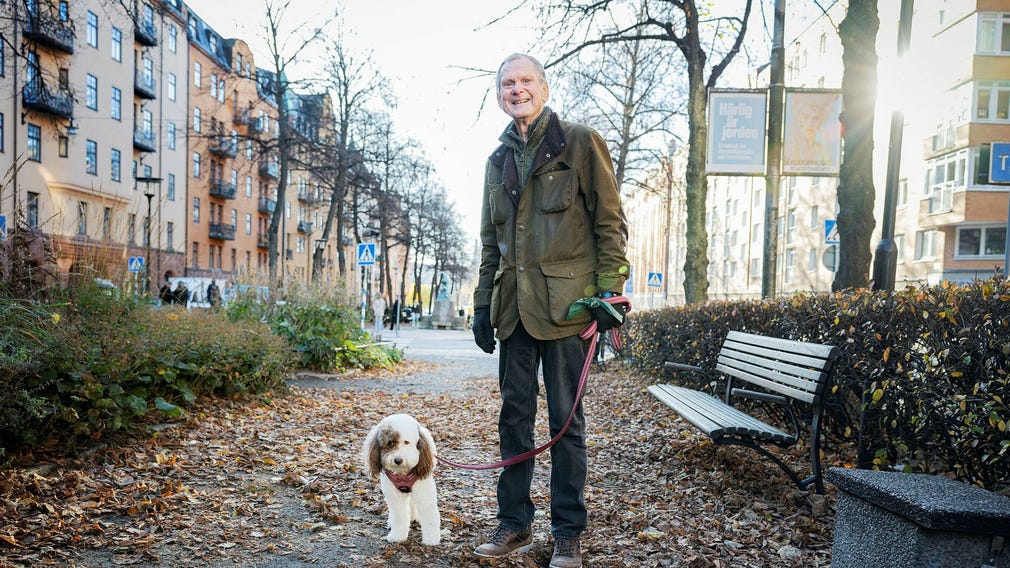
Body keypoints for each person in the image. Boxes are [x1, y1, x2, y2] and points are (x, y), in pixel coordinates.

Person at [471, 53, 630, 568]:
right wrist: (480, 306)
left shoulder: (578, 142)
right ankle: (514, 523)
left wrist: (610, 294)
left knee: (567, 423)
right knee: (513, 421)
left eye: (525, 81)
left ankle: (567, 534)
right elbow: (490, 244)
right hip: (514, 312)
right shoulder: (497, 161)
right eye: (507, 84)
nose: (516, 90)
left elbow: (610, 222)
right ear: (500, 95)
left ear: (543, 87)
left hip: (569, 311)